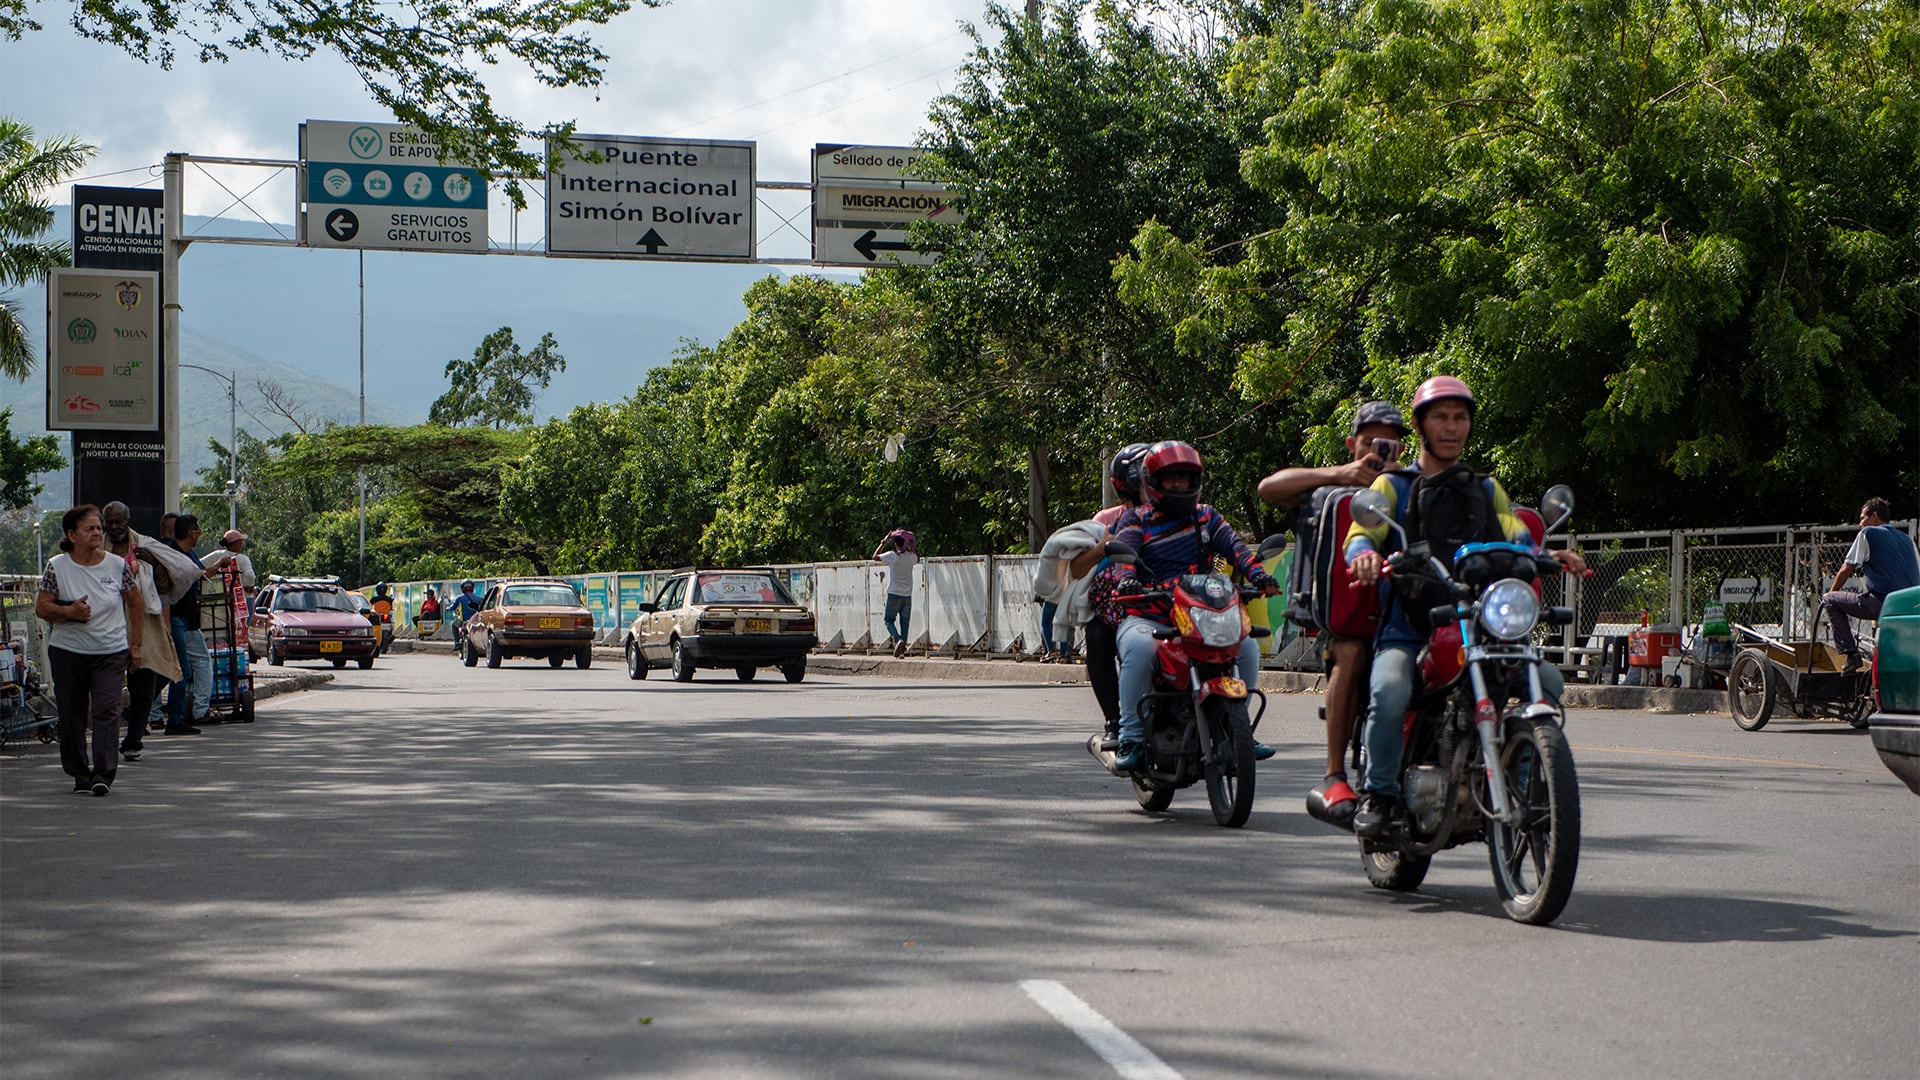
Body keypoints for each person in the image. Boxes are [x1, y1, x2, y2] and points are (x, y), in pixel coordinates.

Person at [1344, 376, 1586, 836]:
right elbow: (1361, 535)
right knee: (1390, 690)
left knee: (1547, 681)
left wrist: (1544, 556)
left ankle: (1523, 778)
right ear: (1420, 426)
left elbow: (1516, 534)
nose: (1451, 427)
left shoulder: (1485, 488)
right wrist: (1365, 556)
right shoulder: (1394, 485)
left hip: (1480, 622)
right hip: (1412, 625)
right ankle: (1379, 795)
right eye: (1441, 417)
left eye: (1460, 418)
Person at [1258, 400, 1409, 815]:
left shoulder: (1411, 483)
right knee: (1351, 653)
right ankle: (1333, 775)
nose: (1379, 453)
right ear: (1352, 444)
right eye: (1370, 443)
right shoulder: (1332, 486)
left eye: (1390, 445)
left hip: (1409, 607)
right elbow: (1269, 488)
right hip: (1350, 614)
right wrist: (1338, 474)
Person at [1110, 441, 1281, 772]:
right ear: (1152, 481)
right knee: (1140, 649)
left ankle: (1238, 728)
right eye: (1171, 478)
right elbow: (1125, 557)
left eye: (1185, 478)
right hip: (1150, 613)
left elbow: (1237, 550)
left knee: (1245, 647)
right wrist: (1127, 580)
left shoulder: (1207, 517)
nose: (1179, 485)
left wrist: (1259, 576)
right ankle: (1131, 735)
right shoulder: (1135, 520)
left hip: (1199, 615)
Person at [36, 505, 143, 795]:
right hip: (68, 652)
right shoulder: (57, 566)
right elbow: (42, 607)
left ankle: (103, 774)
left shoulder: (116, 566)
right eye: (89, 528)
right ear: (72, 534)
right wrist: (69, 611)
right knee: (72, 714)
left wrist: (135, 646)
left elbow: (136, 603)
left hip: (110, 651)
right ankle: (79, 773)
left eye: (99, 528)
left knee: (107, 710)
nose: (97, 533)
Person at [102, 501, 183, 762]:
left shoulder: (145, 545)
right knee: (106, 689)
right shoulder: (96, 548)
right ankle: (107, 739)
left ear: (128, 521)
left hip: (143, 623)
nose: (114, 527)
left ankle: (133, 740)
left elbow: (164, 585)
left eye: (119, 522)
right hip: (107, 624)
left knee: (144, 688)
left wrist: (154, 564)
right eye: (110, 523)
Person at [1823, 497, 1920, 672]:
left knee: (1830, 600)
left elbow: (1847, 569)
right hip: (1910, 609)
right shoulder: (1908, 541)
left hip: (1884, 605)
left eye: (1862, 518)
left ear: (1874, 516)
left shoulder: (1868, 534)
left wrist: (1831, 593)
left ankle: (1851, 654)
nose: (1860, 524)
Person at [161, 514, 215, 736]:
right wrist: (167, 625)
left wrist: (219, 565)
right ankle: (175, 718)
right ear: (192, 533)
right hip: (175, 619)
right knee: (180, 668)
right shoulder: (173, 557)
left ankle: (149, 710)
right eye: (198, 532)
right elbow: (164, 592)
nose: (198, 536)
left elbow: (200, 575)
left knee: (172, 668)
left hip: (187, 618)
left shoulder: (188, 555)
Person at [873, 530, 918, 658]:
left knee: (888, 620)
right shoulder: (911, 557)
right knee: (905, 624)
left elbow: (875, 556)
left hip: (893, 595)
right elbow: (917, 557)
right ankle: (901, 652)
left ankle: (898, 640)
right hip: (907, 597)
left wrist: (884, 542)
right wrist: (911, 547)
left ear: (895, 544)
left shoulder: (892, 556)